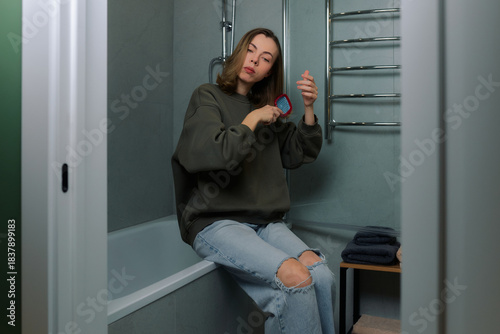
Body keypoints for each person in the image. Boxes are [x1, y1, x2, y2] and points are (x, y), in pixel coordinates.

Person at [172, 28, 335, 334]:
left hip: (265, 222)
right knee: (295, 278)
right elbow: (215, 152)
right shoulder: (207, 96)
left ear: (269, 71)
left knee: (322, 275)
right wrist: (253, 119)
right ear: (239, 51)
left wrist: (310, 108)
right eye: (251, 50)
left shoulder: (267, 111)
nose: (254, 60)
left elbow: (300, 152)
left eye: (265, 58)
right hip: (215, 220)